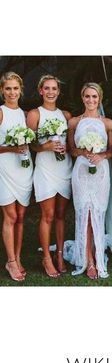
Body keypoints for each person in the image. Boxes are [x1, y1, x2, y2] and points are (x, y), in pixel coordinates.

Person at [67, 82, 112, 279]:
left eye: (94, 97)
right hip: (81, 172)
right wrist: (84, 152)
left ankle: (97, 254)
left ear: (100, 99)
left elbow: (111, 151)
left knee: (97, 214)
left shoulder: (108, 123)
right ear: (82, 97)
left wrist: (101, 156)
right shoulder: (74, 122)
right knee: (84, 215)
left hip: (100, 172)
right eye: (87, 96)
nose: (91, 100)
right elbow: (72, 150)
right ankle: (89, 261)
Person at [27, 75, 72, 278]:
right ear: (40, 90)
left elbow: (71, 143)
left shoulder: (66, 115)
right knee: (48, 215)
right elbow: (29, 144)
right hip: (45, 169)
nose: (51, 92)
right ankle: (46, 257)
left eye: (54, 88)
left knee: (61, 215)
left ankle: (60, 255)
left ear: (58, 91)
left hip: (64, 169)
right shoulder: (35, 114)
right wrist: (45, 146)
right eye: (47, 88)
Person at [0, 71, 33, 281]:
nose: (12, 92)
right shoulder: (1, 112)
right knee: (10, 216)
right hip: (5, 169)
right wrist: (13, 149)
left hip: (24, 168)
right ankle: (10, 261)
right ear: (2, 91)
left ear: (21, 90)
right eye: (8, 88)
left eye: (15, 88)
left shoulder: (24, 114)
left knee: (21, 216)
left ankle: (18, 257)